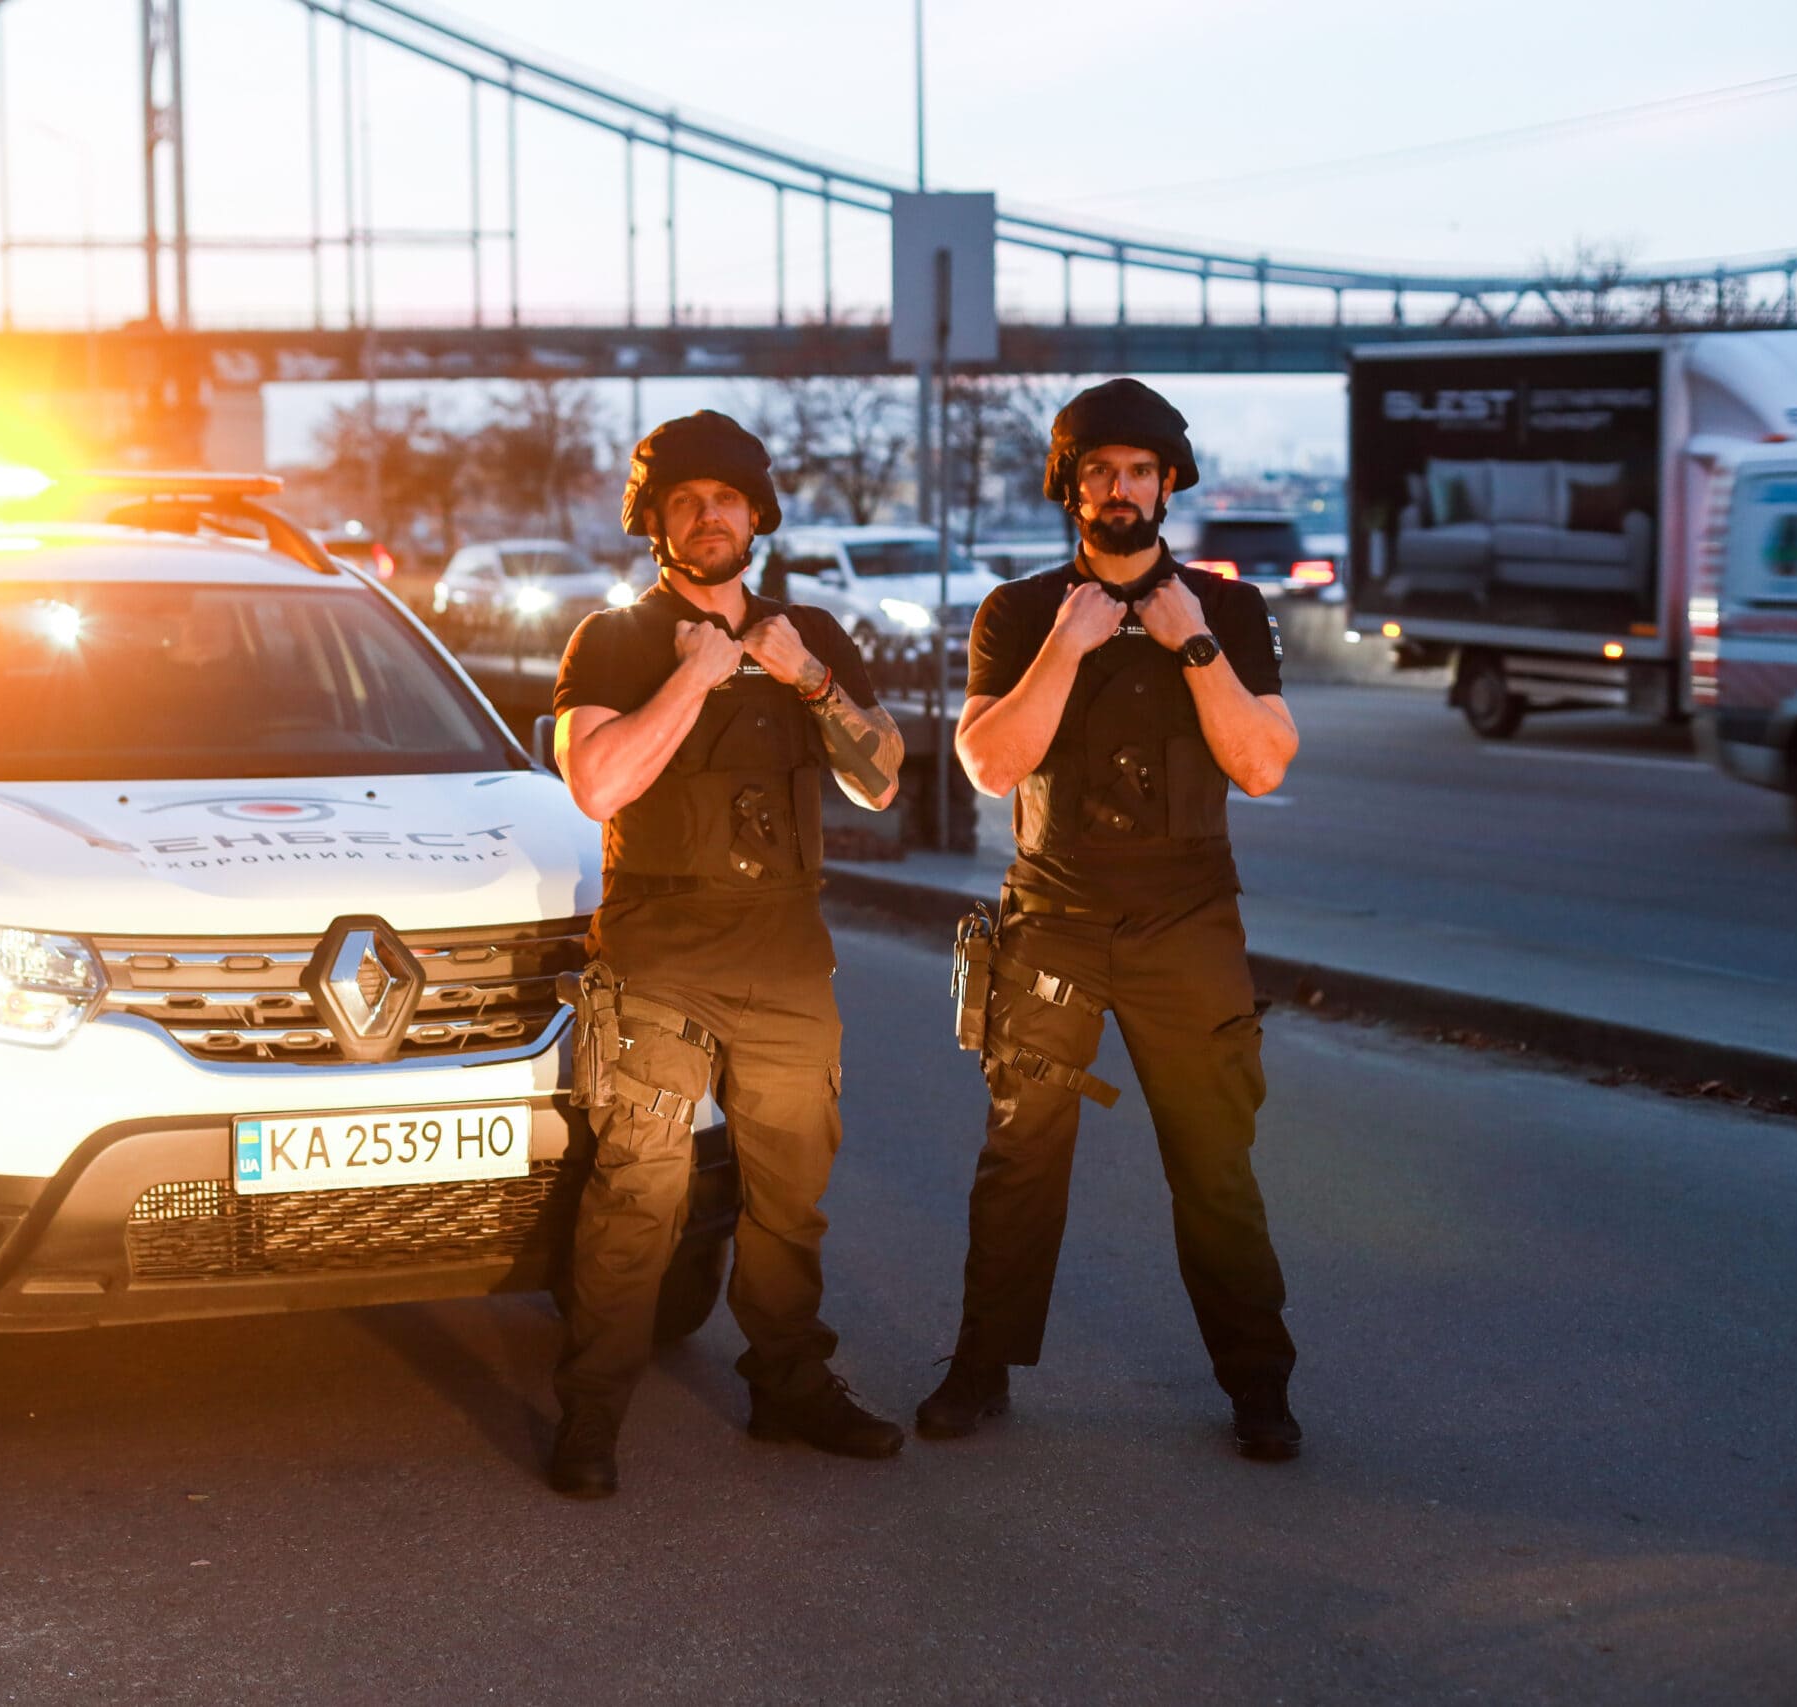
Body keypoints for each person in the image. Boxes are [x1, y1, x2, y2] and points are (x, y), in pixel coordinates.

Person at [918, 379, 1306, 1461]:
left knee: (1215, 1162)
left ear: (1168, 484)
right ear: (1070, 487)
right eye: (1099, 472)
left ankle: (1259, 1386)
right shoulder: (1016, 613)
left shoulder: (1227, 610)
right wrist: (1066, 644)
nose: (1120, 489)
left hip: (1189, 922)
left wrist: (1193, 644)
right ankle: (981, 1366)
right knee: (1021, 1157)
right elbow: (990, 763)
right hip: (1055, 919)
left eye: (1139, 471)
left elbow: (1263, 766)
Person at [546, 410, 909, 1498]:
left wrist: (810, 679)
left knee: (791, 1197)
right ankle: (591, 1413)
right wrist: (693, 678)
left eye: (727, 499)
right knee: (638, 1195)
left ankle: (788, 1383)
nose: (709, 516)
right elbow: (596, 784)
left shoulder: (811, 633)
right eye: (686, 501)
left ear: (758, 515)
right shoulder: (612, 638)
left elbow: (881, 780)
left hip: (787, 958)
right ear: (655, 522)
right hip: (659, 960)